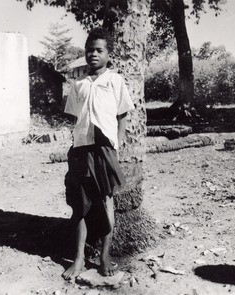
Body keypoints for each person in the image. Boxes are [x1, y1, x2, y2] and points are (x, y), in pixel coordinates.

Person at [62, 27, 134, 280]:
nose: (93, 54)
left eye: (99, 50)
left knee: (105, 201)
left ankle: (104, 256)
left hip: (105, 148)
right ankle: (79, 258)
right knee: (80, 204)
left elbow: (122, 113)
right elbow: (74, 117)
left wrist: (119, 141)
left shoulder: (114, 80)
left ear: (108, 54)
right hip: (82, 148)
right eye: (89, 50)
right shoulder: (78, 84)